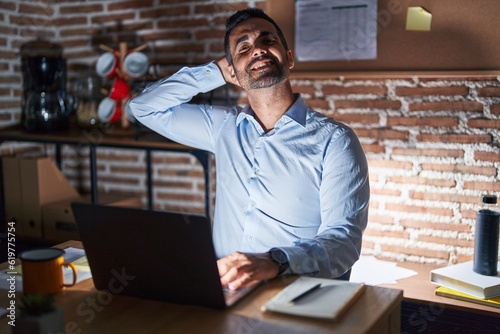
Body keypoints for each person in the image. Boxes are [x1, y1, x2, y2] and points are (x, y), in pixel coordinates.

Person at [129, 8, 369, 290]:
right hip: (224, 290)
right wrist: (215, 72)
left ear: (288, 59)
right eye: (244, 47)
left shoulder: (336, 141)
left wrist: (276, 261)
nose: (257, 50)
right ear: (232, 71)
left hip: (293, 292)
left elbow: (344, 241)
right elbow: (143, 107)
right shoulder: (222, 127)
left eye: (267, 41)